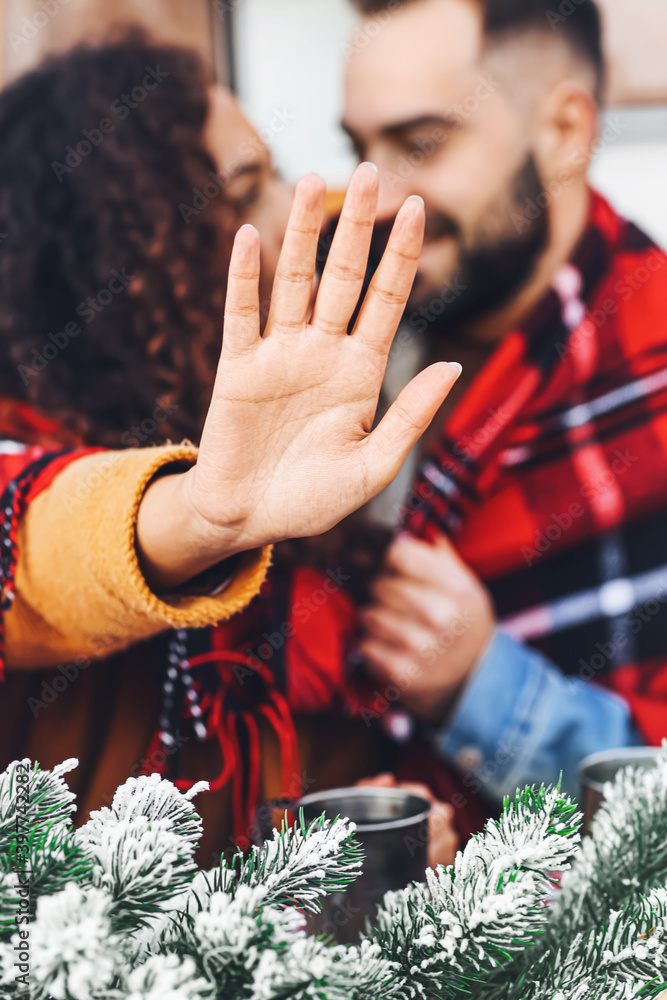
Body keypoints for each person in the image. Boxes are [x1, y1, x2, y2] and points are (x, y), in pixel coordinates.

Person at [0, 38, 461, 863]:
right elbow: (36, 539)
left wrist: (356, 843)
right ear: (125, 249)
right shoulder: (27, 454)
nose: (300, 211)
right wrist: (197, 514)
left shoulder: (308, 519)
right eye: (248, 189)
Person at [339, 0, 667, 807]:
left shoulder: (647, 359)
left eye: (420, 144)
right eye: (358, 148)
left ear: (562, 131)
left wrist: (480, 688)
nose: (371, 199)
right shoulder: (346, 343)